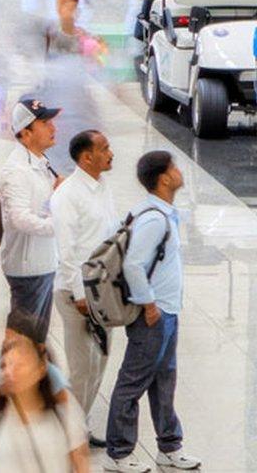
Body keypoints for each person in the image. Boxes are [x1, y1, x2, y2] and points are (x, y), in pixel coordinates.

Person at [103, 151, 201, 473]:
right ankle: (119, 453)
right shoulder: (154, 218)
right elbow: (132, 264)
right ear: (163, 178)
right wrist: (148, 304)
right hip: (155, 315)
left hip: (167, 312)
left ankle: (169, 447)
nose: (178, 171)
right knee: (133, 382)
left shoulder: (161, 213)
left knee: (164, 382)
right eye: (173, 167)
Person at [50, 130, 116, 449]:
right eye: (104, 149)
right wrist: (79, 294)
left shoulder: (102, 187)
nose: (111, 153)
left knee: (99, 361)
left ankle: (80, 424)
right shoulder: (67, 196)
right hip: (75, 294)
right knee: (81, 367)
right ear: (86, 157)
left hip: (104, 290)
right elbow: (68, 250)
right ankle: (69, 432)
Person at [0, 329, 90, 473]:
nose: (9, 372)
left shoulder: (64, 408)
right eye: (5, 365)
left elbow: (81, 462)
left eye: (19, 365)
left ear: (41, 368)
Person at [0, 97, 62, 341]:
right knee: (24, 342)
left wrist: (57, 197)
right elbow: (19, 218)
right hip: (28, 270)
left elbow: (41, 205)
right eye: (45, 123)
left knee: (37, 339)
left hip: (44, 263)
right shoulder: (17, 170)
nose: (53, 128)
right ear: (25, 133)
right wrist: (57, 225)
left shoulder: (40, 163)